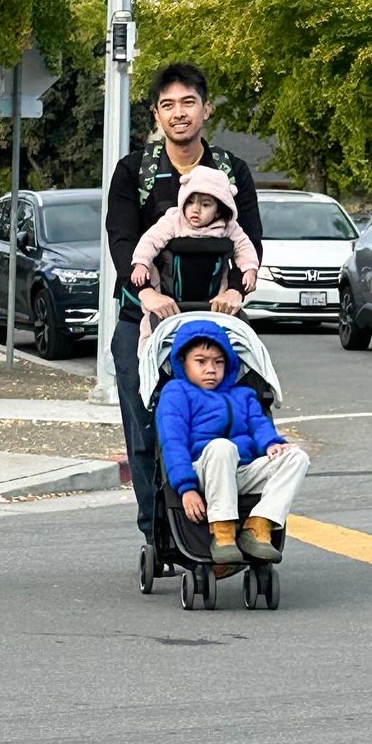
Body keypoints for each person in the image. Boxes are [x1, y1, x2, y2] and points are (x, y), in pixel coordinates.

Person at [105, 62, 263, 545]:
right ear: (156, 114)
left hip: (216, 324)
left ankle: (224, 522)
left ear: (206, 109)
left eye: (188, 103)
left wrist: (237, 288)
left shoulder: (231, 172)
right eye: (168, 105)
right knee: (147, 429)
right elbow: (123, 241)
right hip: (145, 320)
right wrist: (147, 294)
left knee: (228, 419)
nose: (179, 114)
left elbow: (250, 238)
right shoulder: (136, 171)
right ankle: (159, 533)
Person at [156, 319, 309, 564]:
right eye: (201, 361)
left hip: (240, 472)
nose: (211, 369)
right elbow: (172, 443)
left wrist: (271, 443)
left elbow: (259, 424)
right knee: (222, 447)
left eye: (218, 362)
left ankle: (258, 526)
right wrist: (186, 489)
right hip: (203, 471)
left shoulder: (242, 394)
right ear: (183, 362)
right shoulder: (176, 392)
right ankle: (223, 533)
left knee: (296, 457)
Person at [130, 164, 259, 354]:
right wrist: (140, 263)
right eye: (190, 202)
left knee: (228, 332)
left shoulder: (227, 226)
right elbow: (150, 241)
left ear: (219, 209)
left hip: (214, 296)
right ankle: (148, 366)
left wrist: (249, 269)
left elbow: (244, 247)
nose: (195, 210)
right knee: (151, 327)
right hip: (169, 294)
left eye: (205, 205)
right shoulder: (173, 220)